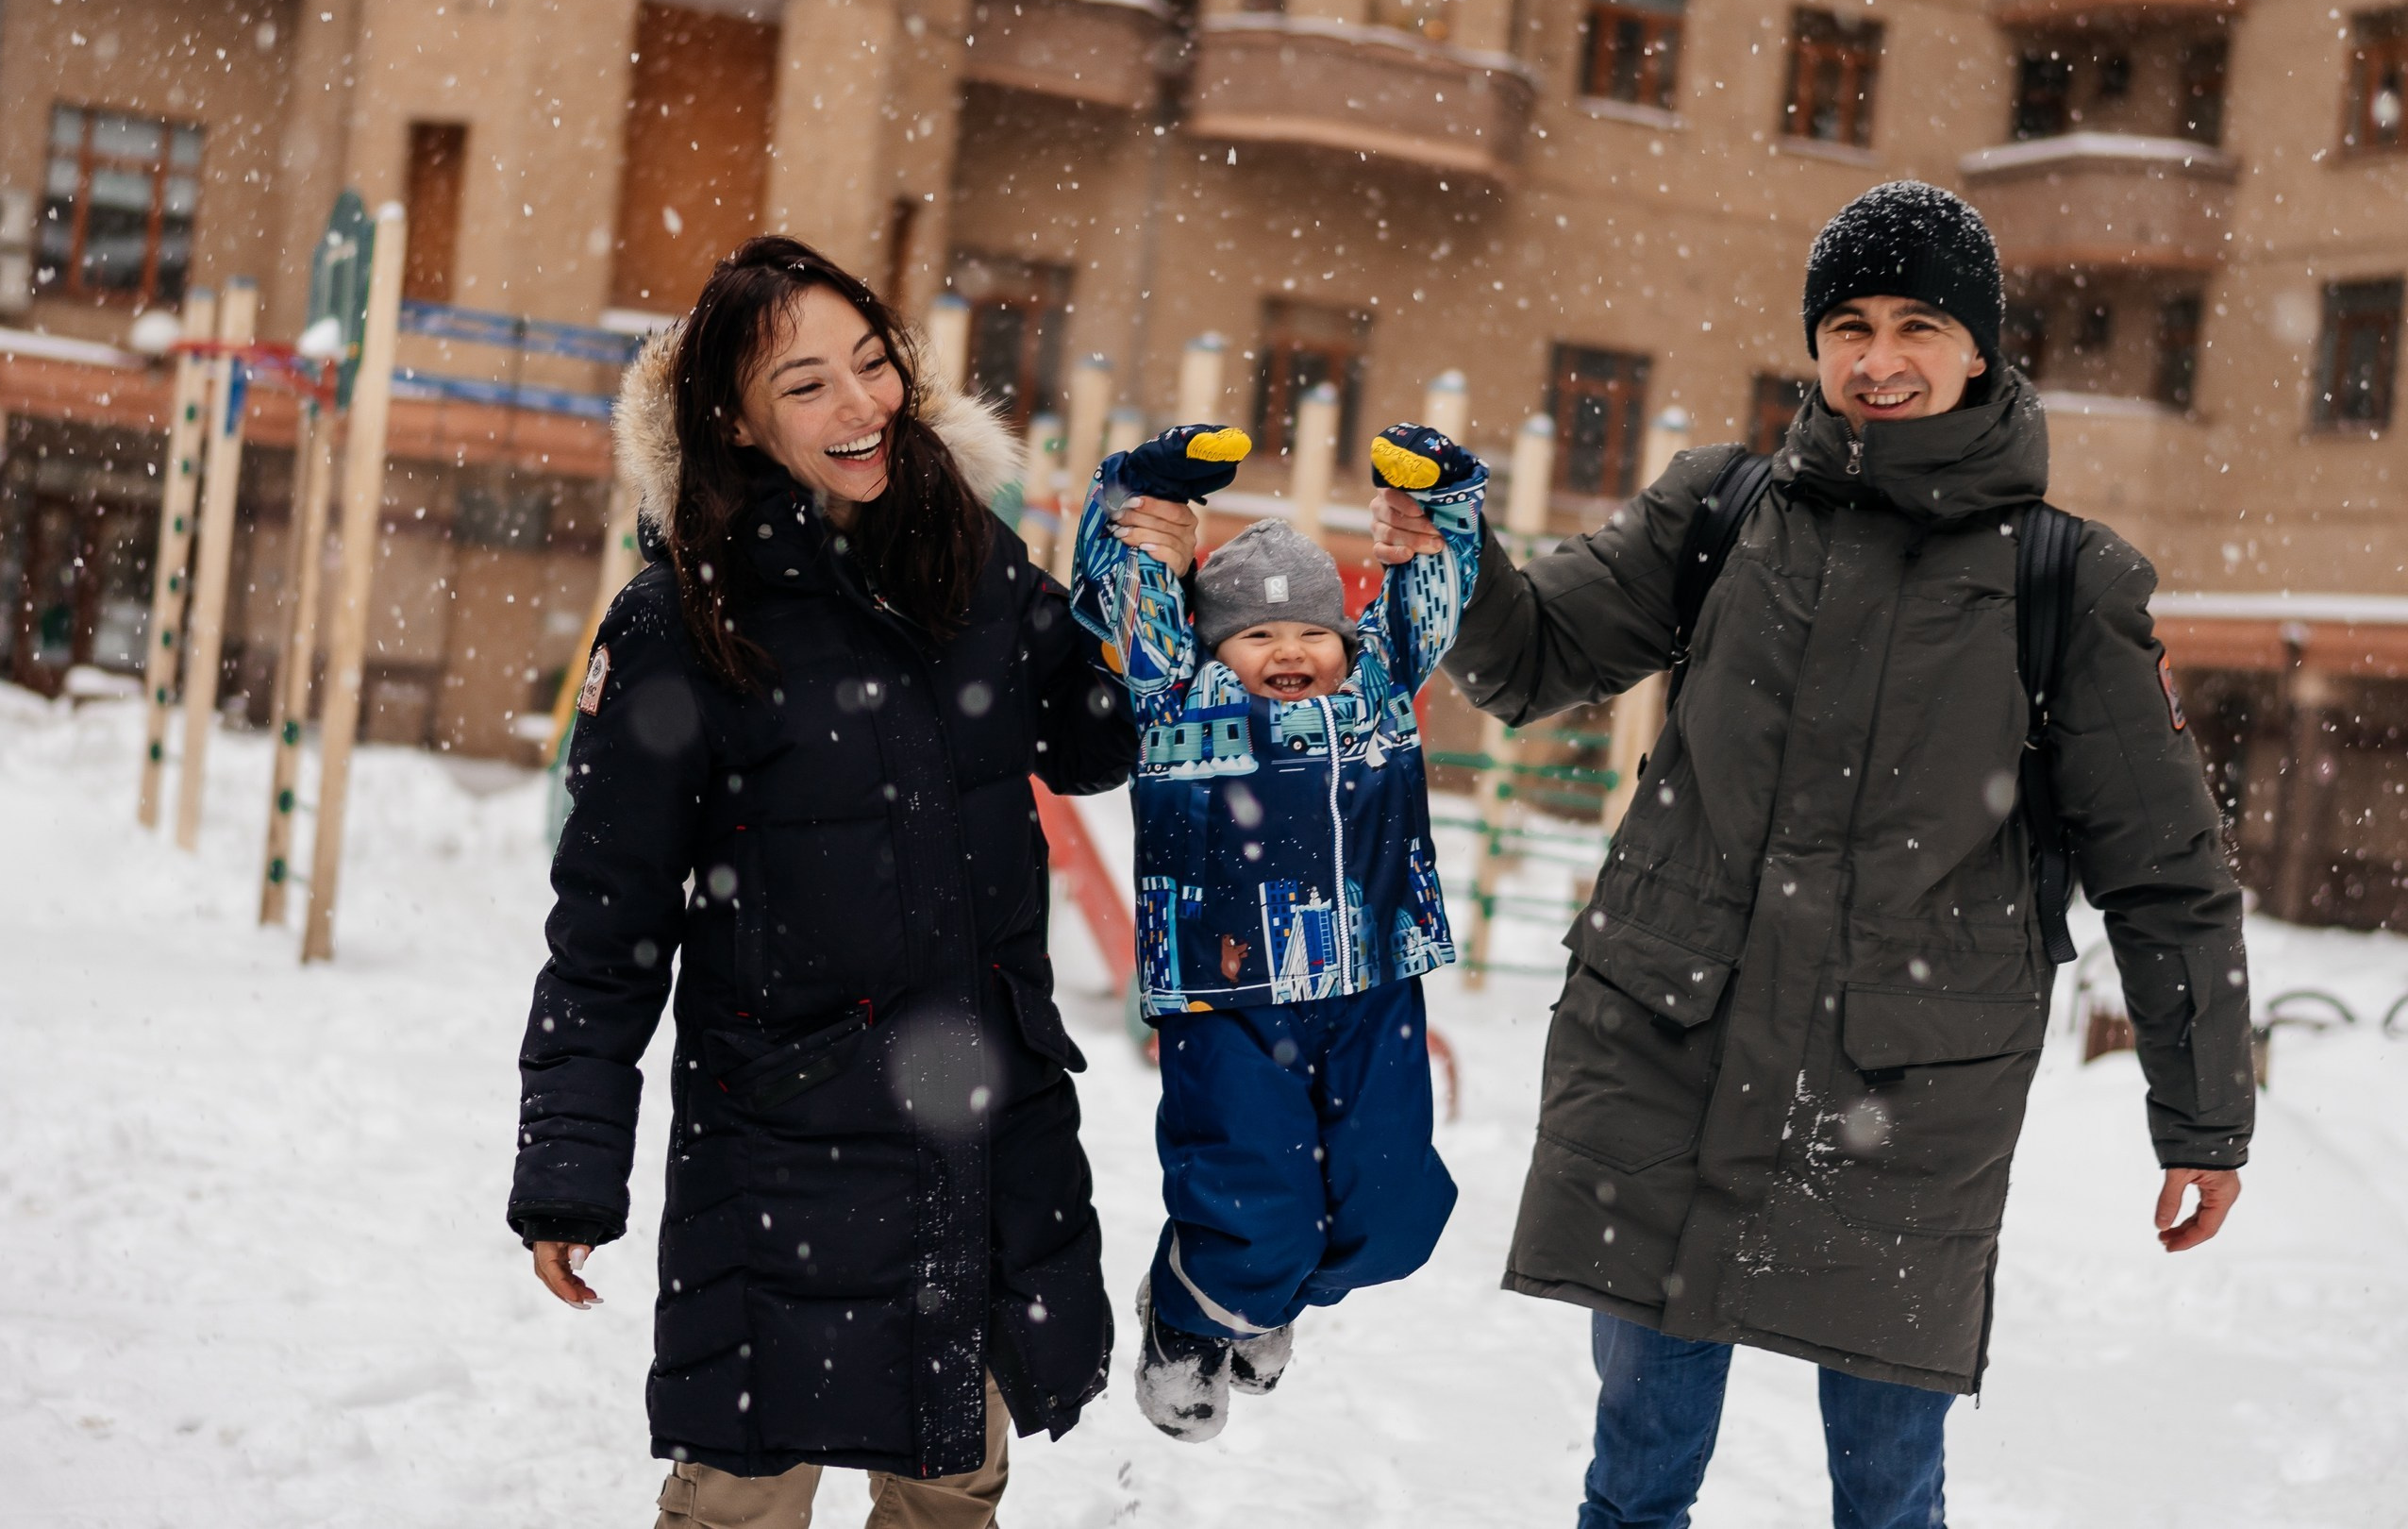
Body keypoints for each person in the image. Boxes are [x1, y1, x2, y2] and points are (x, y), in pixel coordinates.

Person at [1370, 181, 2255, 1529]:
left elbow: (2164, 862)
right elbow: (1536, 657)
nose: (1878, 359)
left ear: (1978, 350)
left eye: (1916, 325)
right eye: (1848, 324)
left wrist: (2202, 1111)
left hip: (1905, 1092)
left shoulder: (2062, 581)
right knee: (1637, 1463)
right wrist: (1455, 556)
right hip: (1676, 1036)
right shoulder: (1721, 509)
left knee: (1887, 1486)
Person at [507, 236, 1169, 1528]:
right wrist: (568, 1159)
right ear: (735, 423)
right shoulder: (684, 621)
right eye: (806, 385)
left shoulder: (971, 560)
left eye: (871, 363)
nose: (860, 404)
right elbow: (608, 923)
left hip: (978, 1129)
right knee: (742, 1497)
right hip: (783, 1146)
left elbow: (1090, 741)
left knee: (951, 1486)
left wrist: (1133, 591)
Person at [1068, 420, 1485, 1441]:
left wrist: (1441, 501)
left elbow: (1436, 579)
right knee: (1253, 1198)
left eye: (1309, 633)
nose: (1288, 650)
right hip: (1227, 996)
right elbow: (1120, 575)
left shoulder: (1381, 687)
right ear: (1213, 648)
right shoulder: (1174, 691)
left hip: (1373, 980)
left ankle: (1260, 1296)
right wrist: (1144, 486)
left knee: (1393, 1215)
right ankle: (1188, 1313)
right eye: (1255, 636)